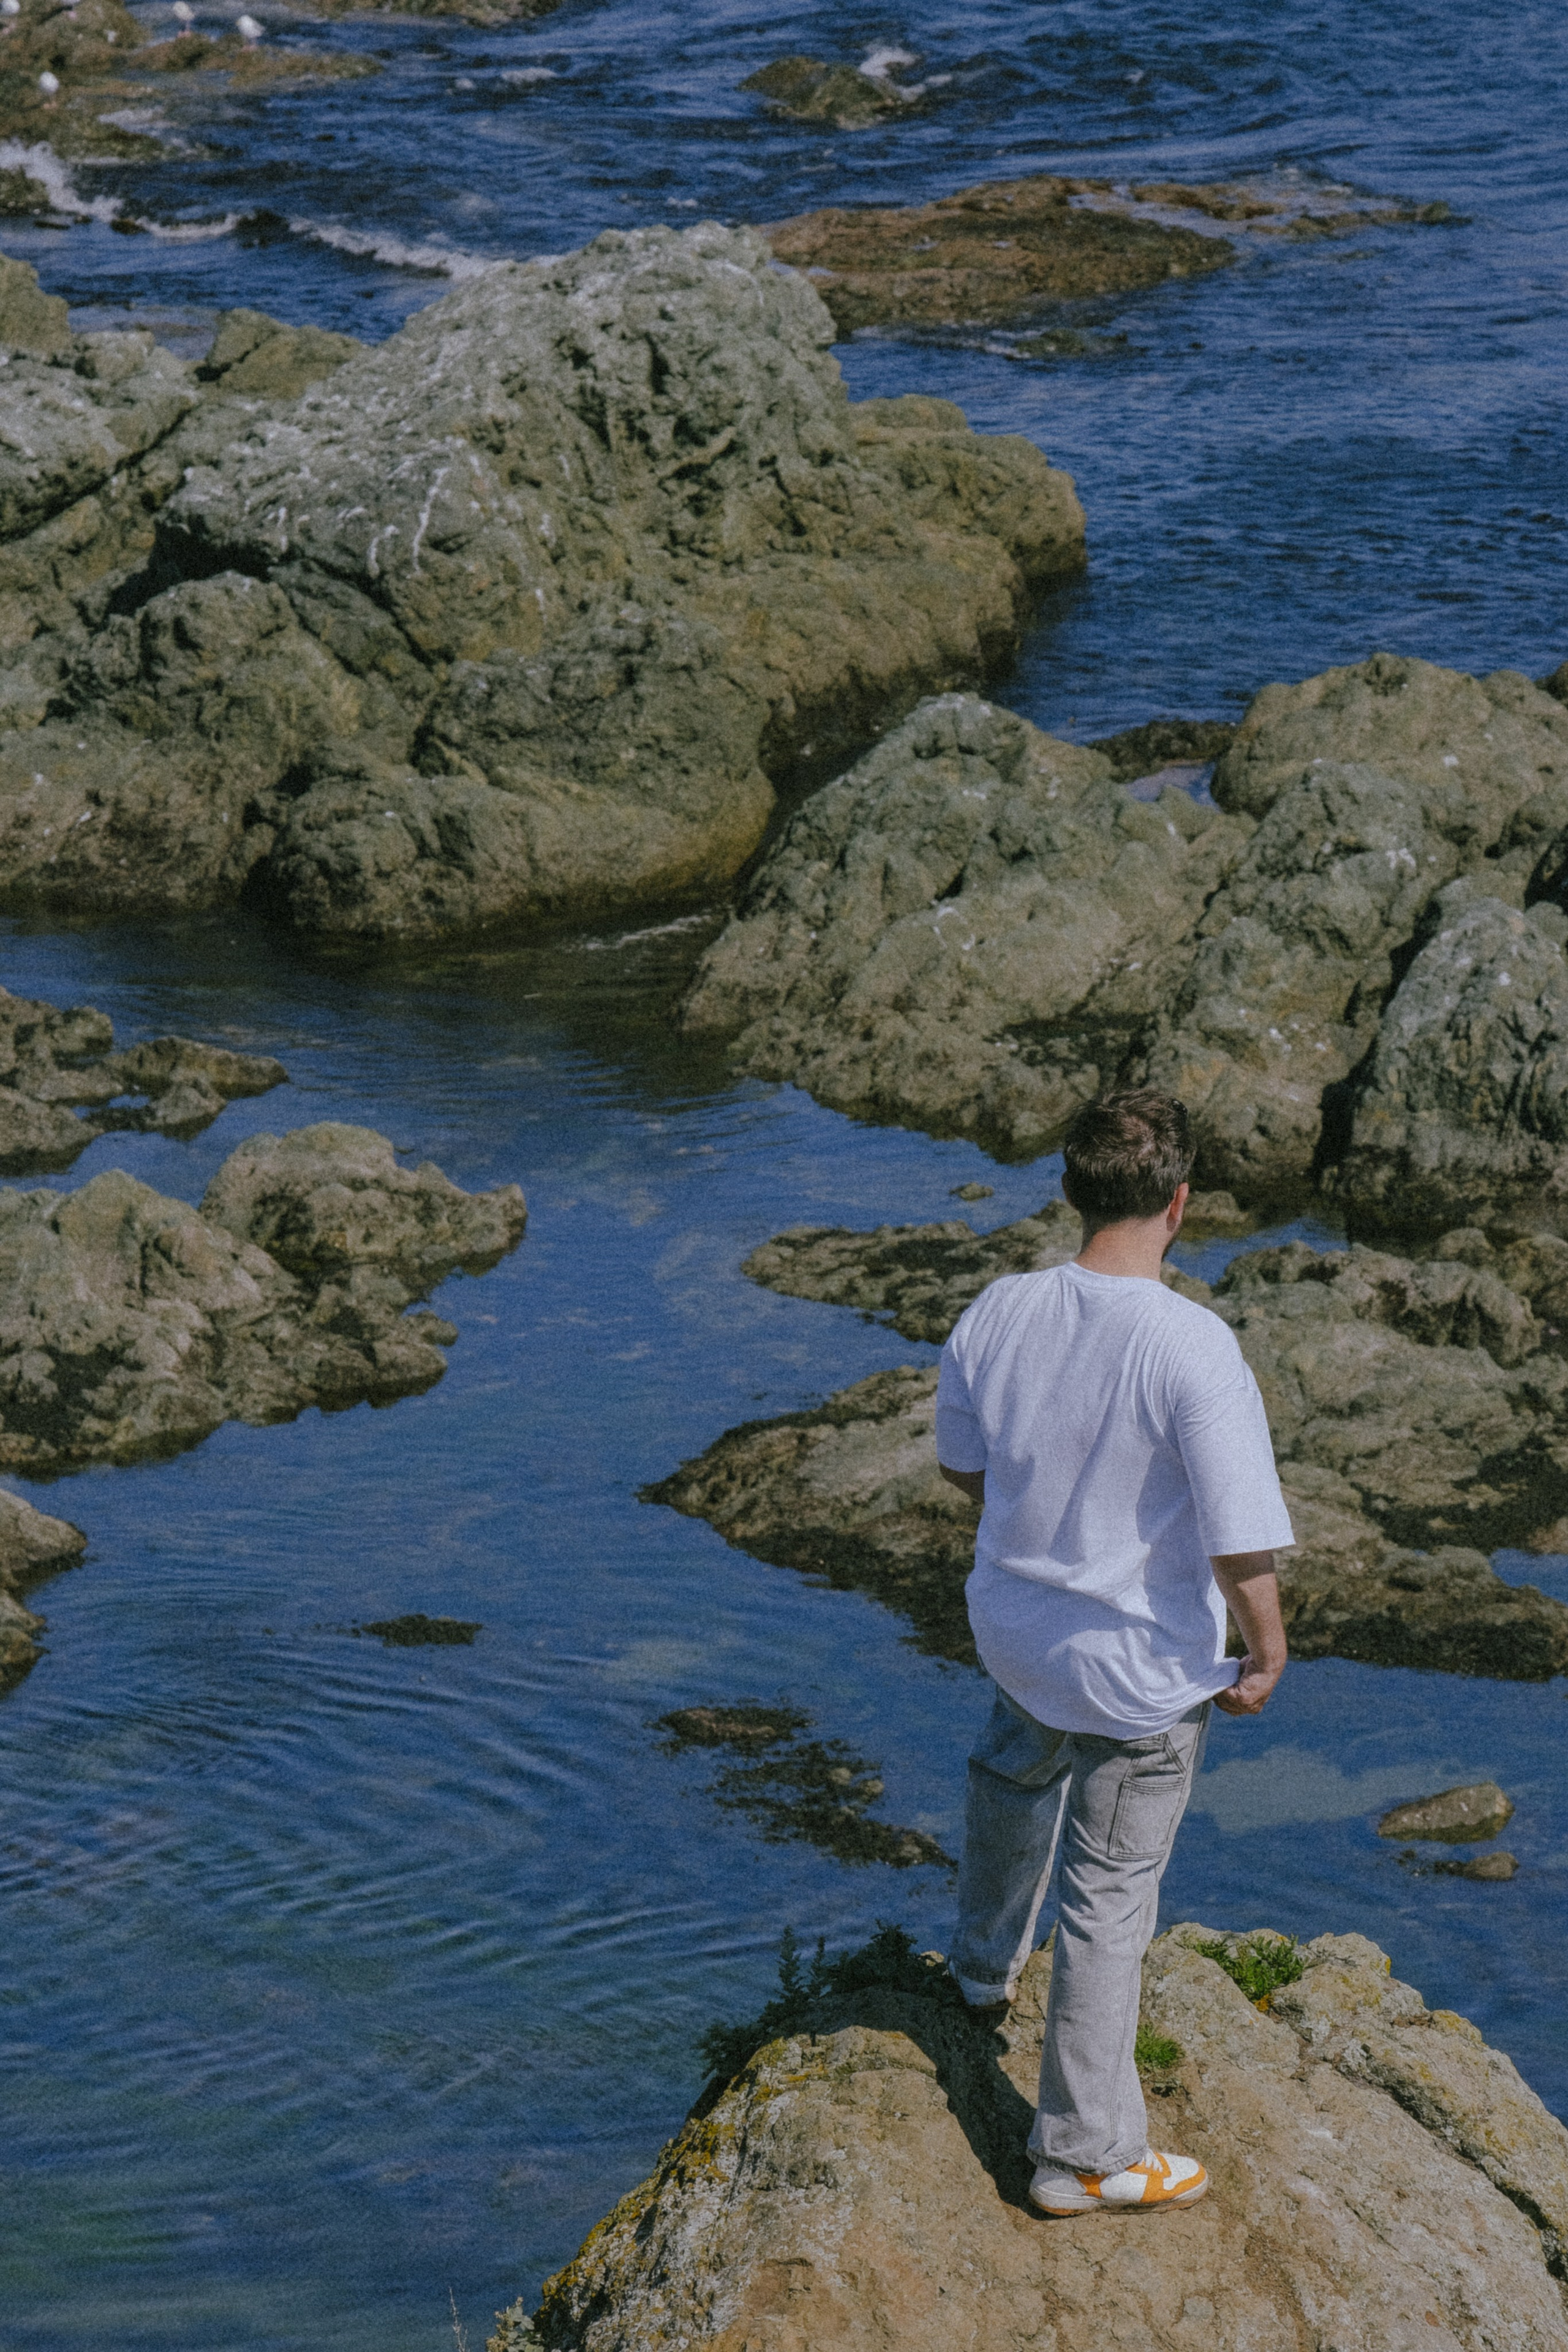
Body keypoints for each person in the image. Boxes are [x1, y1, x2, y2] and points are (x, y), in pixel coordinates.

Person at [935, 1087, 1292, 2217]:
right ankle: (1084, 2155)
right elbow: (1241, 1541)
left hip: (1019, 1635)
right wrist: (1267, 1652)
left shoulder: (999, 1309)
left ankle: (981, 1969)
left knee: (1012, 1772)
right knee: (1109, 1893)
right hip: (1135, 1674)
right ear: (1180, 1204)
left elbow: (963, 1466)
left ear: (1071, 1190)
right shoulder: (1192, 1343)